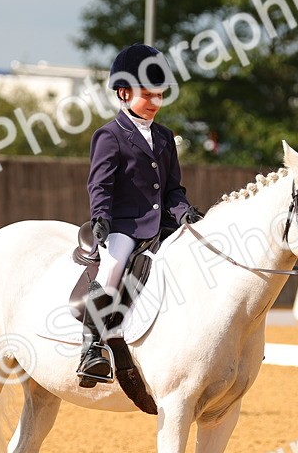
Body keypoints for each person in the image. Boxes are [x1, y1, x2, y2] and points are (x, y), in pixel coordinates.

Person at [77, 43, 204, 387]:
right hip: (124, 226)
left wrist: (185, 216)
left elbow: (173, 190)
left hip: (162, 226)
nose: (154, 102)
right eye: (146, 95)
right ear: (123, 92)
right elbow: (99, 185)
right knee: (114, 266)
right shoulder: (109, 135)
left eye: (158, 95)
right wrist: (101, 218)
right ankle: (92, 349)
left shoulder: (164, 137)